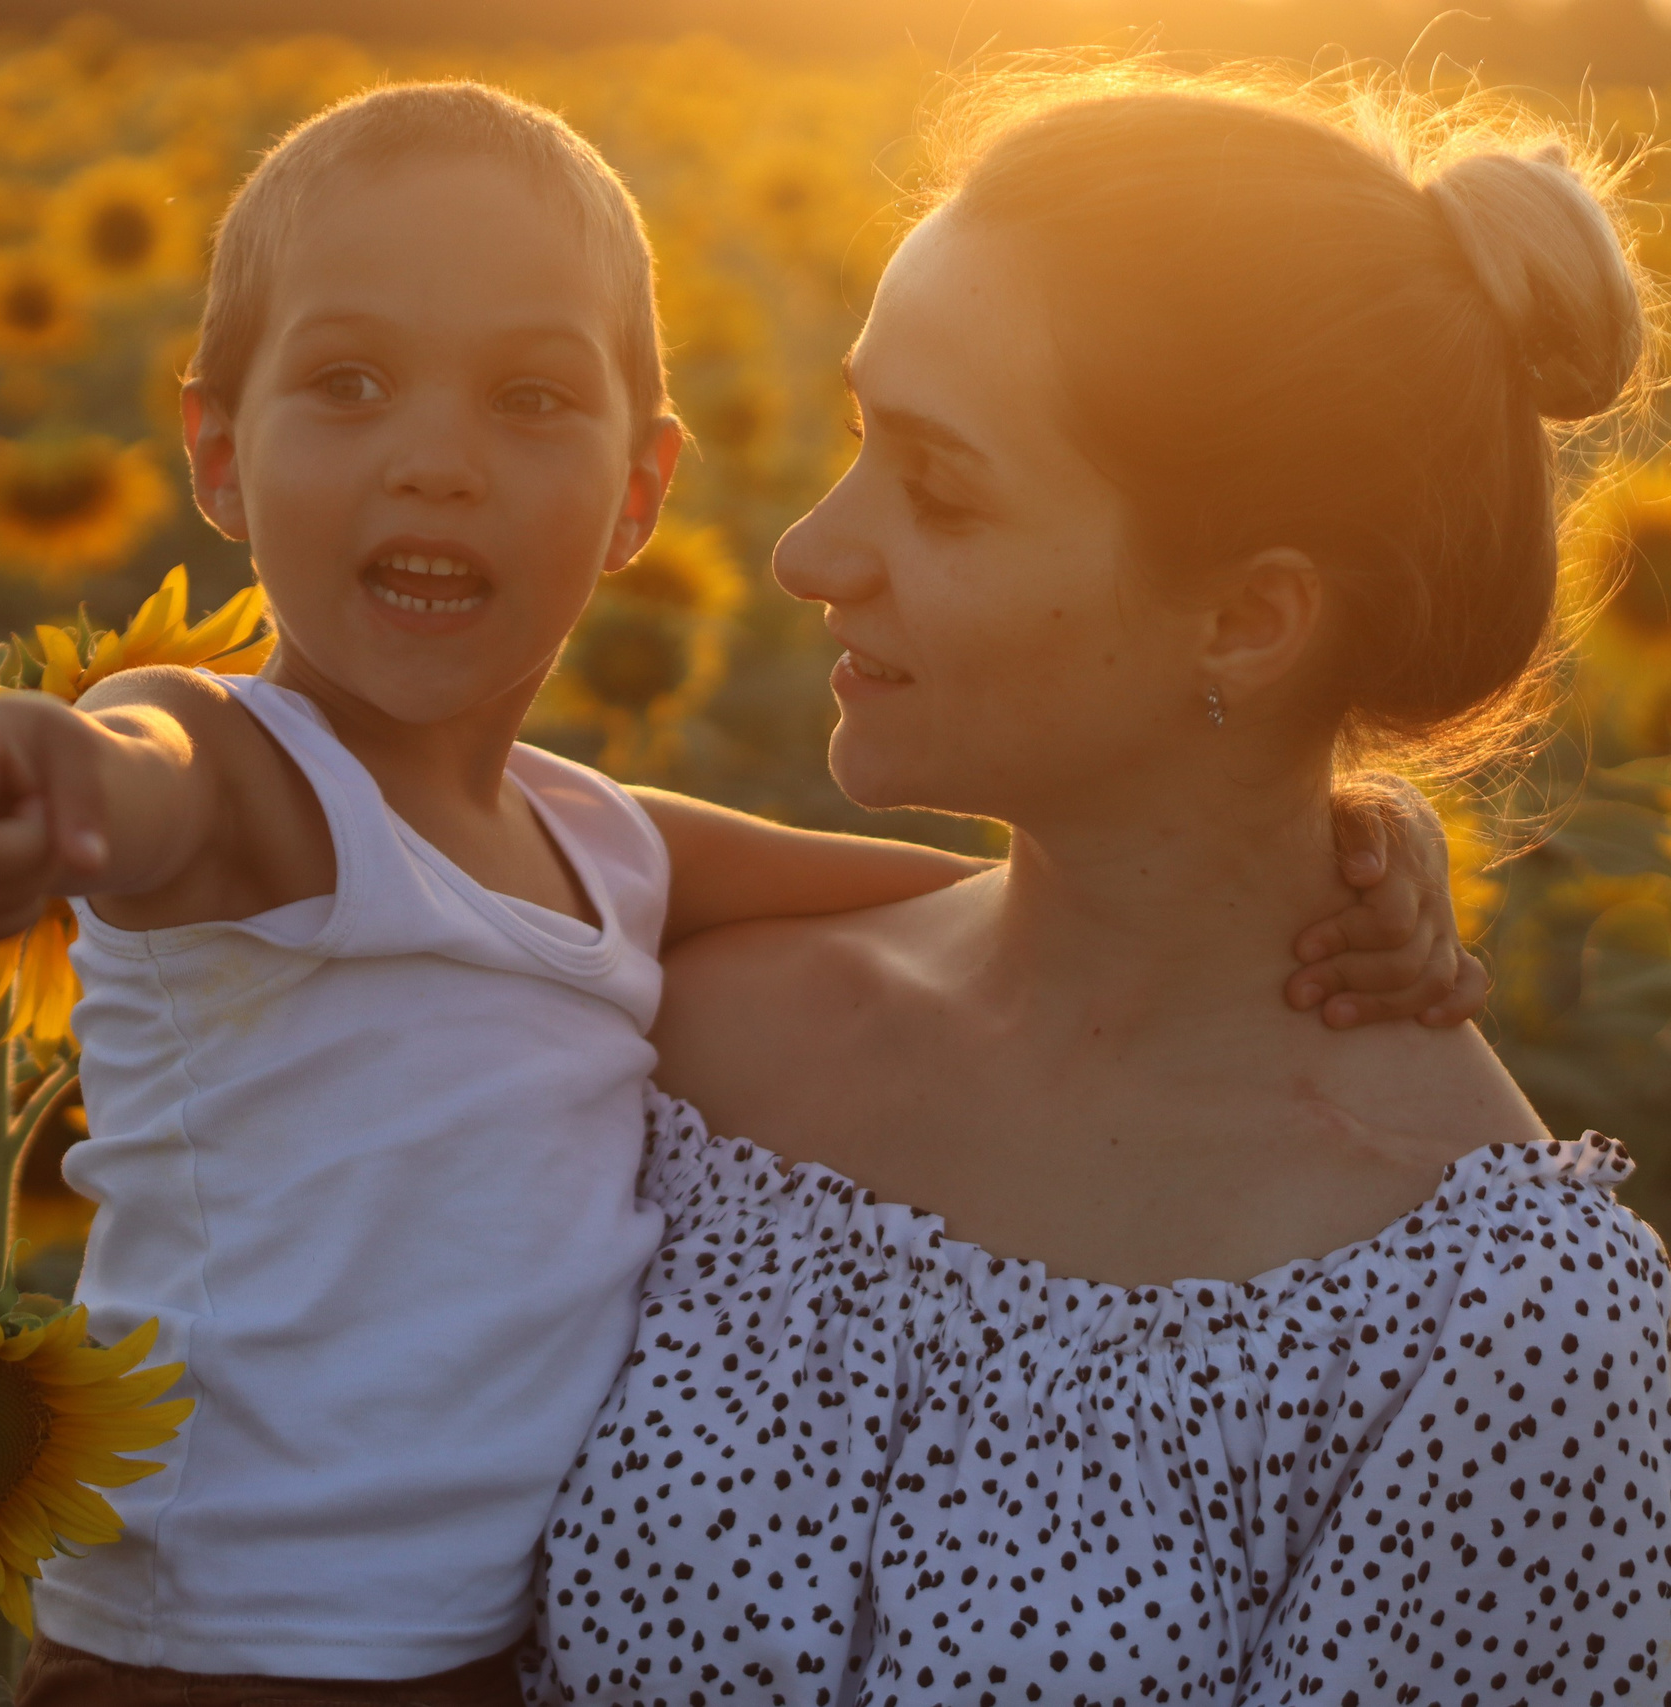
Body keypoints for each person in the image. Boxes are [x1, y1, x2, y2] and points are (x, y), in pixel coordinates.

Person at [0, 81, 1473, 1706]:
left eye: (531, 399)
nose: (436, 464)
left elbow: (992, 905)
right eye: (347, 385)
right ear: (215, 451)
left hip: (474, 1665)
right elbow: (153, 766)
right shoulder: (258, 779)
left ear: (641, 490)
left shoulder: (605, 848)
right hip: (207, 1661)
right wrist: (50, 778)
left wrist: (1331, 834)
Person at [529, 69, 1671, 1705]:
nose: (809, 551)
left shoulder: (1494, 1336)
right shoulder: (683, 1029)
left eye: (940, 487)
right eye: (861, 438)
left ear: (1251, 621)